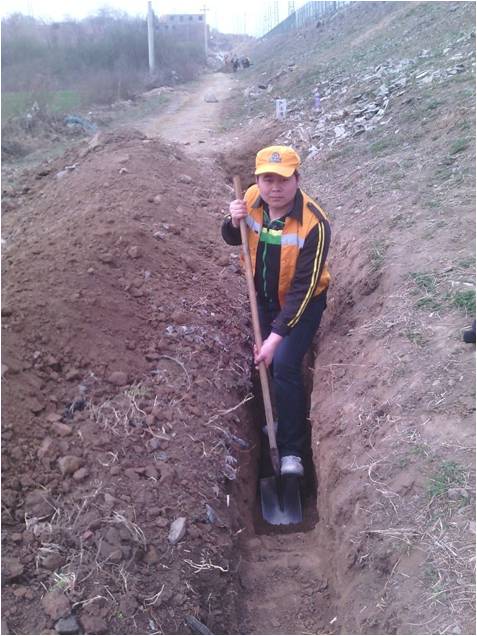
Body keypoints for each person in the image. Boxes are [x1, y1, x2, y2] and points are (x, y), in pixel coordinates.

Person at [222, 146, 331, 476]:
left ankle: (292, 450)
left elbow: (304, 290)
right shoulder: (250, 199)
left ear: (297, 179)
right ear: (257, 180)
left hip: (302, 304)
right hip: (264, 299)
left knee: (283, 364)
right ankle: (276, 418)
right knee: (262, 364)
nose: (275, 188)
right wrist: (233, 221)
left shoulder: (315, 223)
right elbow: (233, 238)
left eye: (283, 179)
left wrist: (275, 337)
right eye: (268, 179)